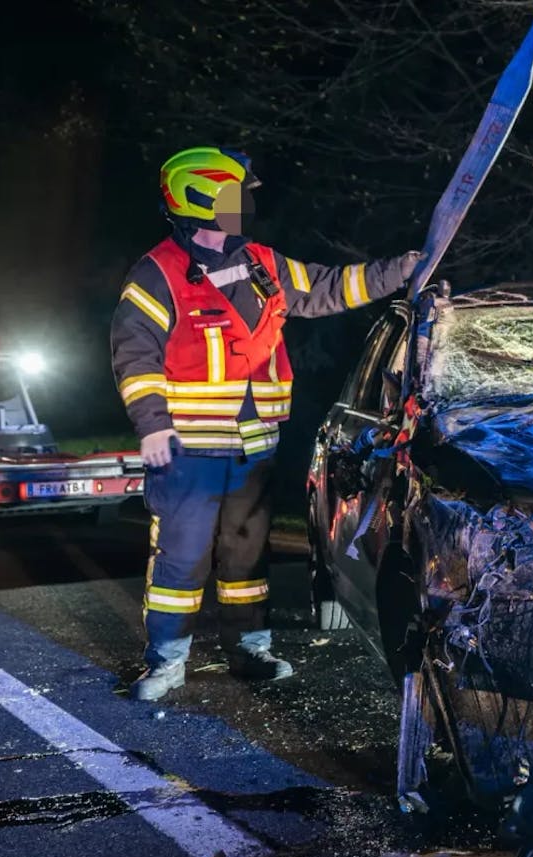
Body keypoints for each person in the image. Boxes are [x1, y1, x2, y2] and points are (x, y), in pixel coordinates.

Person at [110, 146, 420, 701]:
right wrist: (152, 424)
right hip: (189, 449)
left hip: (254, 445)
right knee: (181, 556)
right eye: (233, 196)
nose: (244, 205)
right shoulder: (156, 275)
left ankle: (249, 650)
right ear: (198, 200)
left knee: (247, 556)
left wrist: (396, 273)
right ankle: (166, 661)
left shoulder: (263, 263)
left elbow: (330, 288)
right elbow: (135, 354)